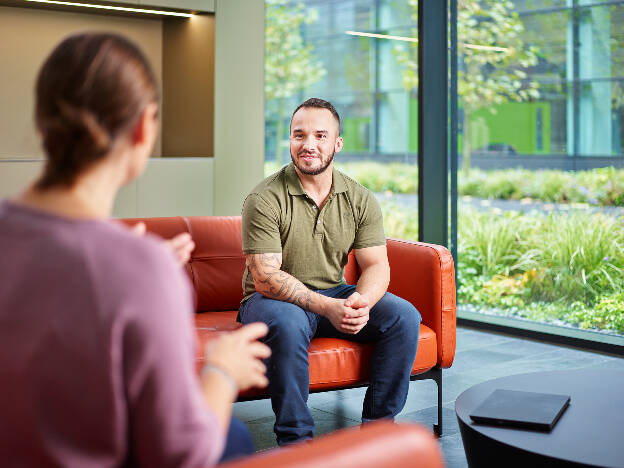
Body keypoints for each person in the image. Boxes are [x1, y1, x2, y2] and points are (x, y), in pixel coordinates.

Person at [0, 32, 270, 467]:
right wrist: (221, 371)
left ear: (42, 124)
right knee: (233, 439)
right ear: (145, 127)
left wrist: (141, 277)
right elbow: (181, 454)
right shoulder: (139, 272)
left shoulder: (138, 271)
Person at [239, 98, 422, 445]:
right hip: (270, 300)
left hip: (333, 293)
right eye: (299, 135)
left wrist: (361, 302)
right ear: (290, 141)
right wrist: (328, 308)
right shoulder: (263, 198)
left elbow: (376, 265)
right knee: (290, 323)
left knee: (404, 316)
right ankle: (296, 443)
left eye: (320, 135)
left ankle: (379, 430)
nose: (309, 144)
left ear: (337, 143)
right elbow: (265, 276)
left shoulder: (360, 198)